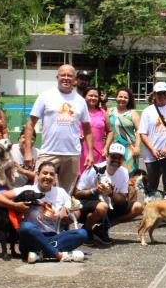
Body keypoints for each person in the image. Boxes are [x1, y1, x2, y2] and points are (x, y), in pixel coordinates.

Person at [0, 162, 88, 263]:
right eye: (45, 173)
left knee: (82, 233)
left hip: (54, 238)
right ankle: (58, 255)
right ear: (38, 175)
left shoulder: (61, 192)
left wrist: (69, 216)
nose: (48, 176)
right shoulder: (28, 189)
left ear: (54, 178)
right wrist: (15, 206)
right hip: (32, 238)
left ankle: (42, 254)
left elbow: (76, 211)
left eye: (51, 174)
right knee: (26, 227)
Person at [22, 65, 93, 194]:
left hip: (72, 154)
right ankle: (38, 214)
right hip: (49, 152)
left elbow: (87, 129)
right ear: (57, 77)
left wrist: (90, 153)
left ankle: (60, 214)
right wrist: (27, 151)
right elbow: (30, 124)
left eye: (70, 75)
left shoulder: (81, 101)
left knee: (66, 195)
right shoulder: (45, 96)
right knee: (39, 191)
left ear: (75, 80)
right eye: (63, 75)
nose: (66, 78)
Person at [74, 143, 143, 244]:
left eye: (119, 157)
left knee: (138, 207)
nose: (116, 160)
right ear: (107, 156)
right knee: (102, 206)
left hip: (109, 206)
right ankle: (86, 230)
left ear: (123, 160)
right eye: (113, 156)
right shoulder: (94, 170)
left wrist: (111, 193)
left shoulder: (123, 172)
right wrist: (95, 191)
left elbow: (123, 200)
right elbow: (76, 193)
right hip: (87, 206)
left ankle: (101, 229)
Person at [80, 86, 113, 173]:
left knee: (96, 181)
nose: (93, 98)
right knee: (78, 181)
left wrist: (106, 147)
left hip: (99, 153)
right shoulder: (78, 111)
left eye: (96, 96)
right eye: (90, 95)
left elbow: (110, 132)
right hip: (80, 152)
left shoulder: (103, 113)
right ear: (84, 97)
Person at [109, 86, 140, 173]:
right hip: (113, 149)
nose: (122, 99)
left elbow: (139, 131)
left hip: (129, 150)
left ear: (129, 100)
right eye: (120, 96)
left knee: (129, 175)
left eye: (125, 97)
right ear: (116, 97)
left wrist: (137, 147)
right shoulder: (109, 112)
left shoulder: (132, 113)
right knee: (113, 174)